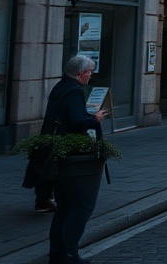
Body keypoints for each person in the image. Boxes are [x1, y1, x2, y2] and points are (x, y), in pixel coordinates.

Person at [40, 54, 110, 264]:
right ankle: (69, 254)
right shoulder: (75, 91)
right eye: (89, 72)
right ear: (80, 73)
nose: (90, 76)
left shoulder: (60, 87)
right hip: (72, 158)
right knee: (81, 207)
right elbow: (78, 121)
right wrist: (95, 119)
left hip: (55, 153)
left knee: (63, 208)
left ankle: (56, 253)